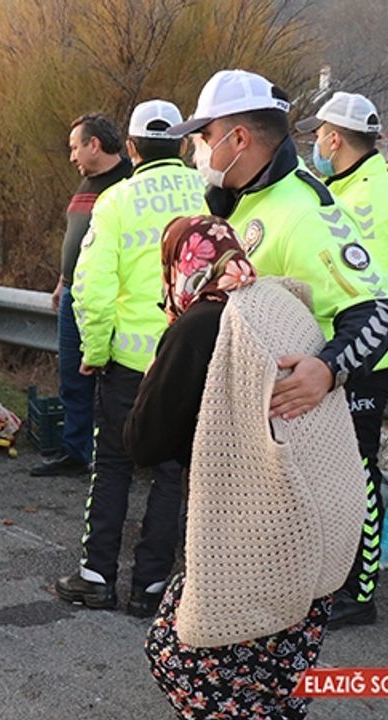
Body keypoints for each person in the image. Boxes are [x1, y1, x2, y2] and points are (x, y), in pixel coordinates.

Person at [169, 70, 388, 628]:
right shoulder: (238, 202)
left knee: (328, 514)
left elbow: (376, 311)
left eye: (203, 136)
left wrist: (328, 370)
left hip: (307, 413)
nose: (196, 150)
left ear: (238, 138)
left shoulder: (304, 210)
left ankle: (347, 595)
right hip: (252, 419)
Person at [126, 216, 364, 720]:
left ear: (179, 266)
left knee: (180, 658)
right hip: (322, 521)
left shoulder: (199, 325)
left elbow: (143, 442)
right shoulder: (280, 302)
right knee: (280, 674)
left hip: (249, 540)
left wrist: (159, 364)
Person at [55, 100, 201, 616]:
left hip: (126, 364)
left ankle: (97, 577)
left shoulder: (115, 200)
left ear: (132, 148)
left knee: (113, 466)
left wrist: (94, 352)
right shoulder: (210, 195)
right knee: (171, 472)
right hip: (186, 361)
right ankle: (152, 586)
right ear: (183, 144)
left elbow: (91, 289)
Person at [298, 91, 388, 625]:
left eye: (317, 136)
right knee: (352, 468)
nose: (315, 145)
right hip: (365, 349)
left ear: (334, 138)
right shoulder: (366, 183)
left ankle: (360, 590)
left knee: (358, 470)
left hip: (364, 356)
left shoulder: (357, 200)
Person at [33, 113, 132, 477]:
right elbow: (76, 237)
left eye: (76, 147)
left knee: (112, 380)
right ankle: (75, 451)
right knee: (73, 375)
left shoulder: (128, 182)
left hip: (111, 297)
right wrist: (63, 280)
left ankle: (113, 454)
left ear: (94, 144)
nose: (72, 156)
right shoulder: (85, 184)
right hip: (74, 293)